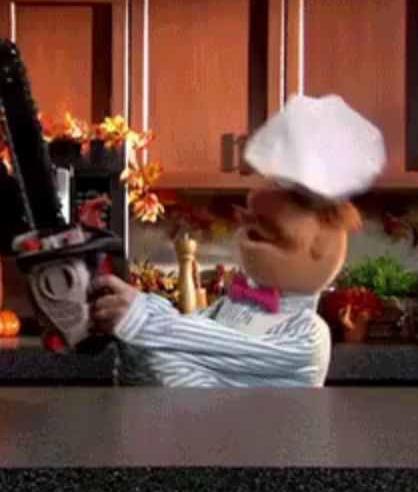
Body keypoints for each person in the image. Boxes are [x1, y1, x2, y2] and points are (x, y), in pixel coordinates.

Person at [87, 94, 386, 387]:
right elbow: (178, 344)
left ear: (322, 239)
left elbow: (204, 350)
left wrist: (139, 318)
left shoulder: (309, 336)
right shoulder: (229, 308)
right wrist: (124, 321)